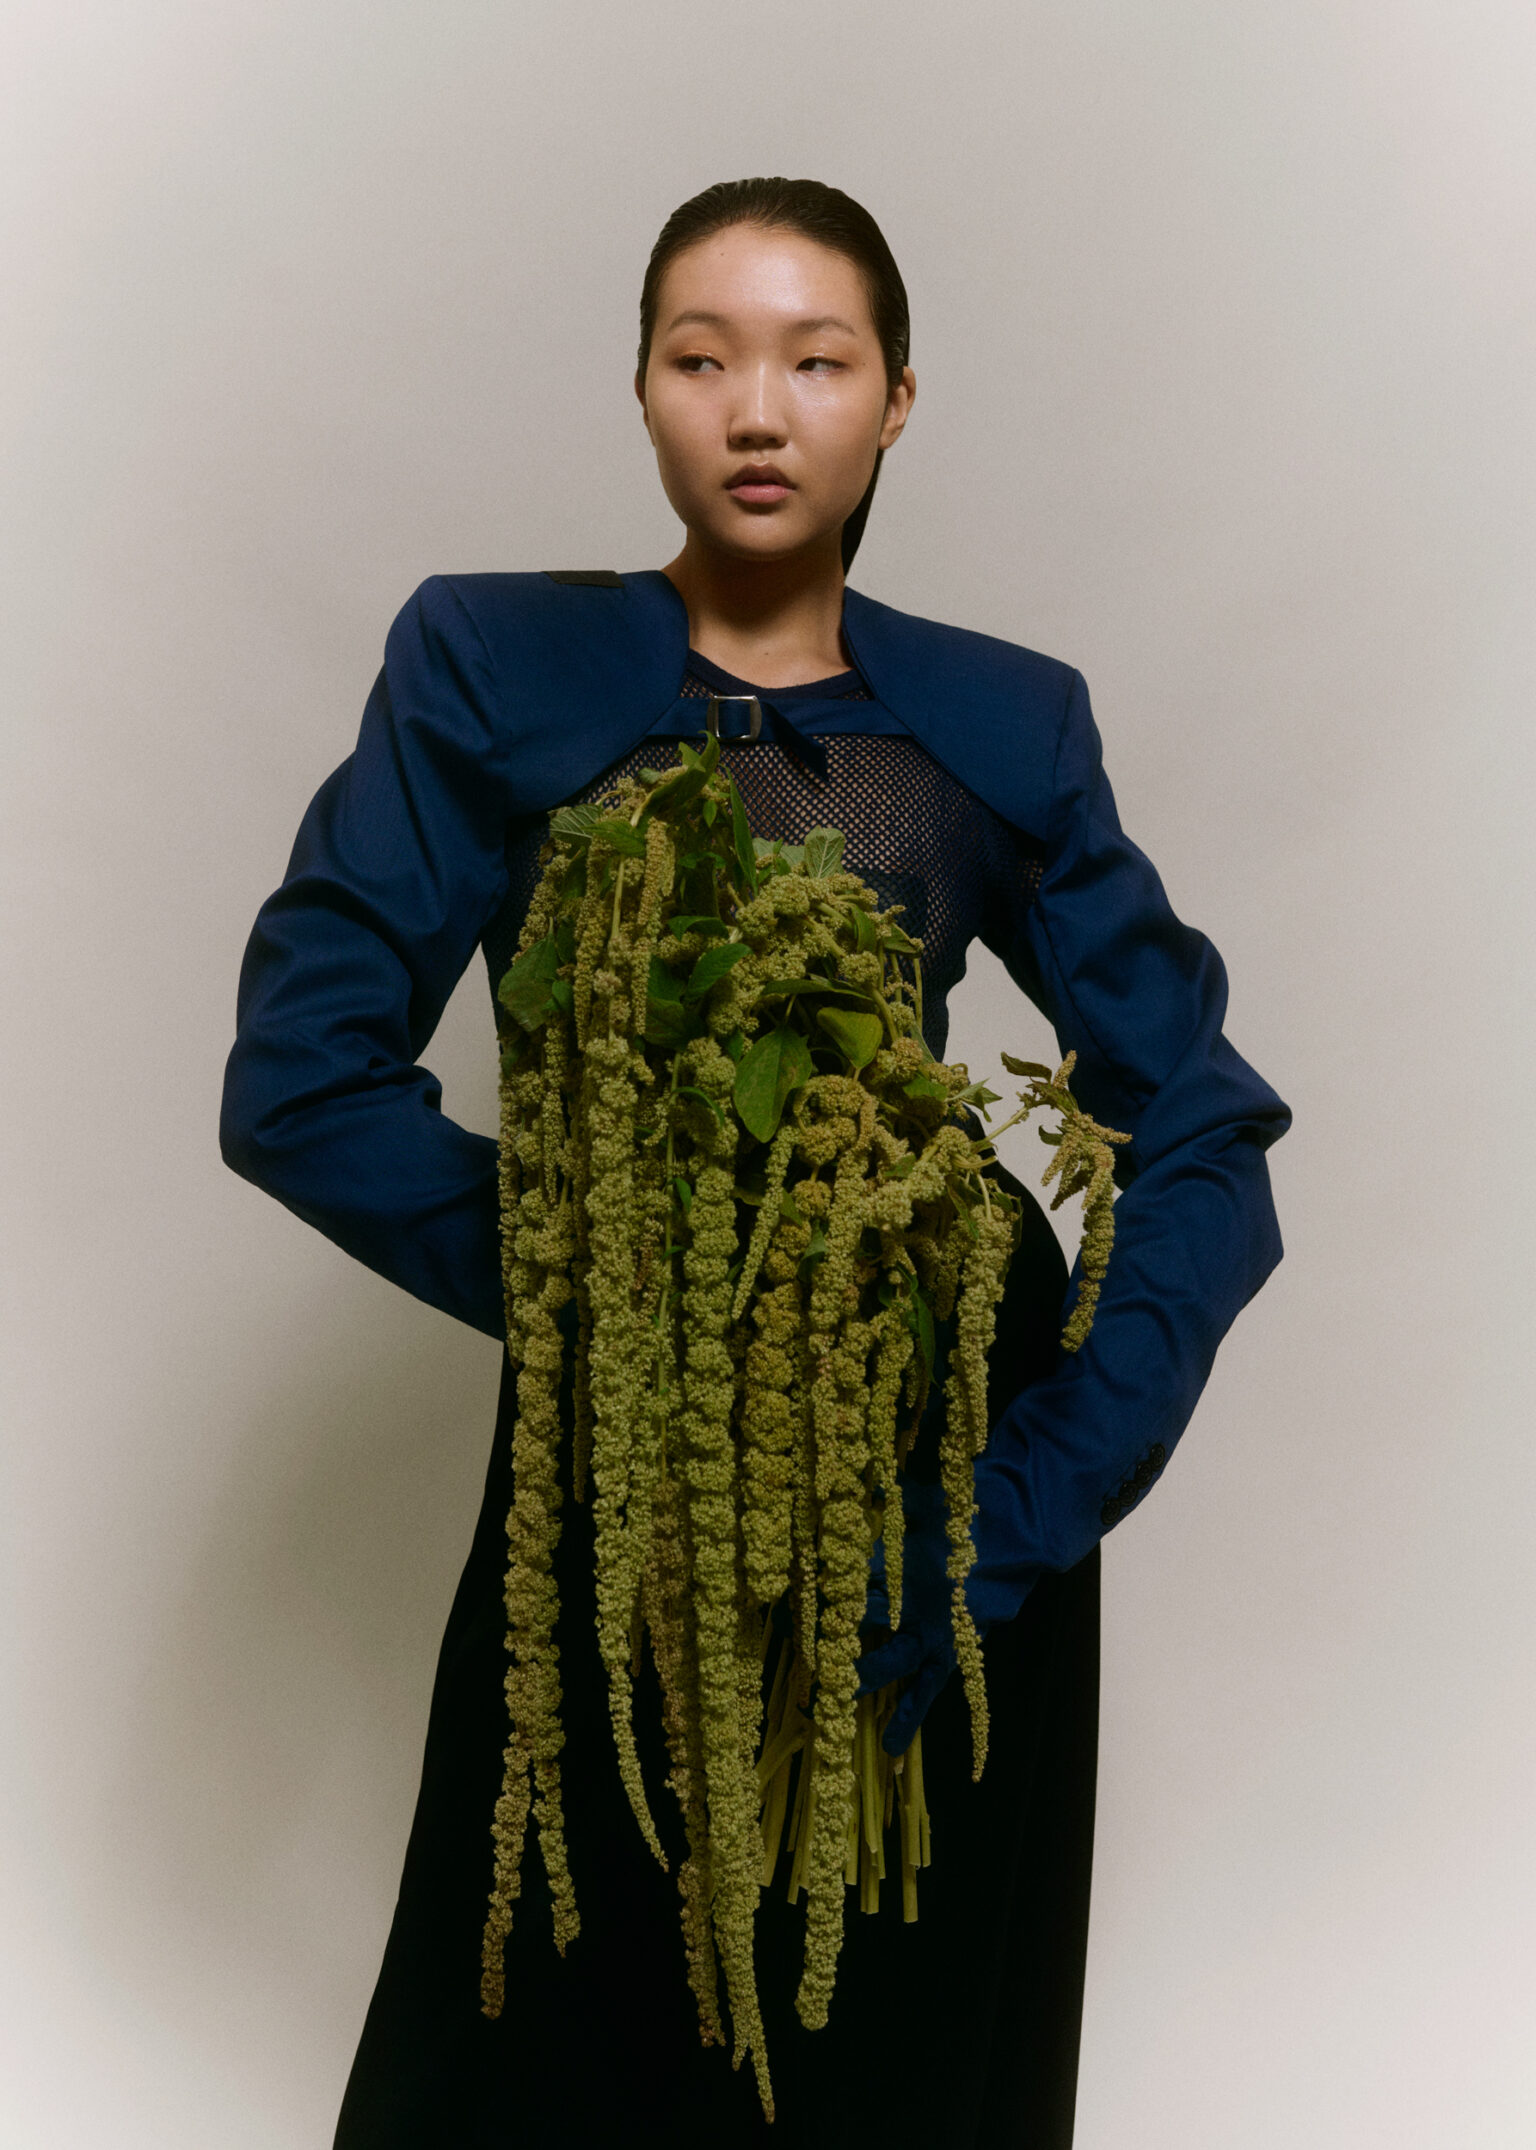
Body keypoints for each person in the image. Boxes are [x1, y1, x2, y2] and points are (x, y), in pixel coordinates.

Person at [221, 177, 1291, 2149]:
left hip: (945, 1481)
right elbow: (300, 1073)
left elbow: (1204, 1129)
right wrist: (607, 1279)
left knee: (901, 2039)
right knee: (539, 2006)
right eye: (702, 355)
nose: (757, 407)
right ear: (641, 392)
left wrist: (1017, 1511)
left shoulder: (1004, 721)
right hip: (633, 1464)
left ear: (897, 403)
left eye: (818, 359)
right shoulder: (491, 665)